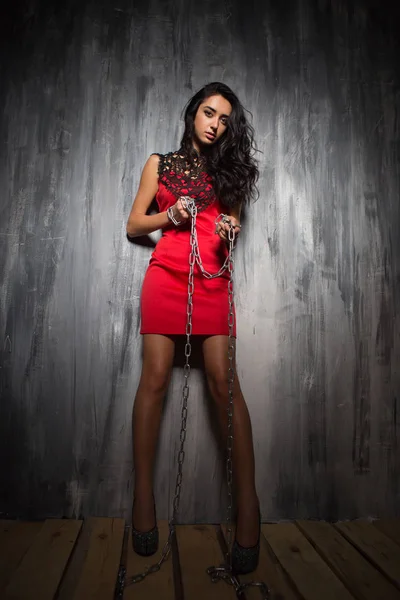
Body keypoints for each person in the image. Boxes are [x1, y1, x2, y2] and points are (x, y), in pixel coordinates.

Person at [126, 82, 260, 574]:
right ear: (192, 113)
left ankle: (249, 506)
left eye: (224, 119)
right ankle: (143, 500)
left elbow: (231, 226)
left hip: (212, 280)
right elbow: (134, 225)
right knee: (155, 381)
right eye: (208, 113)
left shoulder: (232, 172)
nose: (214, 124)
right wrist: (171, 214)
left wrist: (228, 228)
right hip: (165, 277)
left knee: (225, 386)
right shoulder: (159, 164)